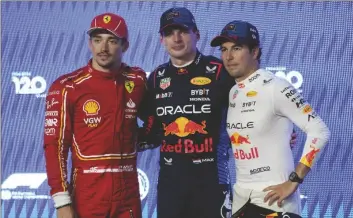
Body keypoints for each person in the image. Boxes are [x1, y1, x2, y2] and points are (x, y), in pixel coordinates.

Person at [137, 7, 297, 218]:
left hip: (212, 181)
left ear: (197, 34)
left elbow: (257, 100)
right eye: (169, 33)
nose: (176, 38)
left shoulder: (221, 70)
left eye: (183, 31)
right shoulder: (157, 77)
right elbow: (153, 129)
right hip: (170, 185)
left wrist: (274, 130)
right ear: (161, 40)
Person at [210, 20, 330, 218]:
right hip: (241, 200)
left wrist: (294, 180)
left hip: (275, 203)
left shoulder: (276, 87)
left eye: (237, 48)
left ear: (255, 52)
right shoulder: (233, 92)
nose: (228, 57)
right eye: (224, 49)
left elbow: (320, 131)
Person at [43, 13, 146, 218]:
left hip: (128, 193)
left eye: (112, 41)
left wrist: (142, 138)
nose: (103, 48)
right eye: (97, 40)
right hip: (88, 193)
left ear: (125, 46)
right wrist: (62, 201)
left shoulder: (138, 80)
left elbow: (156, 116)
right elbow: (55, 145)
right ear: (90, 44)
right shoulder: (67, 86)